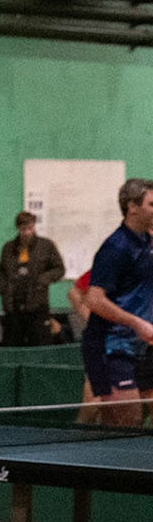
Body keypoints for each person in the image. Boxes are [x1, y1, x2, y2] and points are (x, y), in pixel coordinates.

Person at [79, 179, 153, 428]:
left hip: (138, 347)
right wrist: (137, 323)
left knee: (131, 423)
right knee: (126, 422)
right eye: (152, 204)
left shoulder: (146, 242)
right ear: (132, 207)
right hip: (110, 346)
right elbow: (94, 299)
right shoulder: (115, 248)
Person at [0, 211, 65, 348]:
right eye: (24, 229)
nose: (28, 232)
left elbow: (59, 269)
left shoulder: (46, 246)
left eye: (30, 228)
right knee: (13, 345)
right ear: (18, 229)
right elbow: (1, 271)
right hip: (13, 307)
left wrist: (43, 280)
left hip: (37, 306)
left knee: (40, 345)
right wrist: (3, 290)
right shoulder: (8, 248)